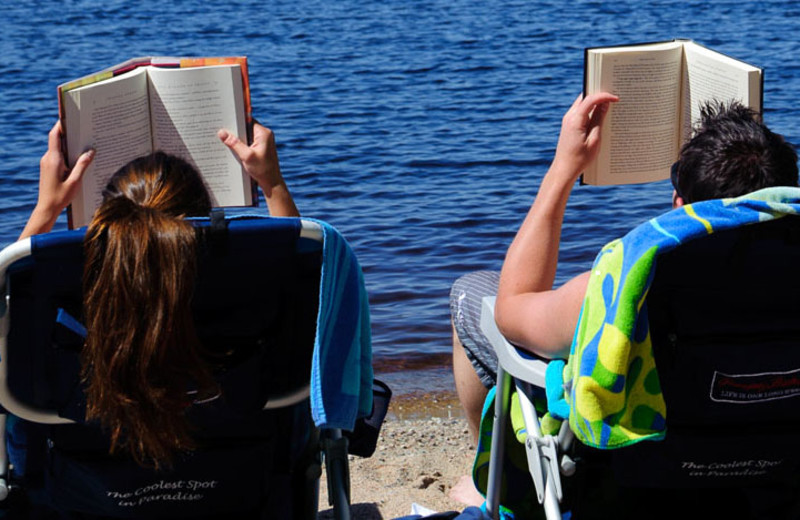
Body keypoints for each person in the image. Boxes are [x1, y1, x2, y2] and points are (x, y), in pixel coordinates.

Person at [450, 93, 799, 449]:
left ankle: (488, 483)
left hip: (650, 478)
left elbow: (513, 309)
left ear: (680, 205)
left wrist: (563, 169)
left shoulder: (623, 294)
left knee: (471, 291)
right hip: (778, 465)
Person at [17, 120, 299, 469]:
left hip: (88, 492)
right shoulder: (246, 280)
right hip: (243, 484)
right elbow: (307, 295)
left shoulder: (68, 281)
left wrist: (47, 210)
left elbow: (8, 304)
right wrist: (272, 185)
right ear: (201, 220)